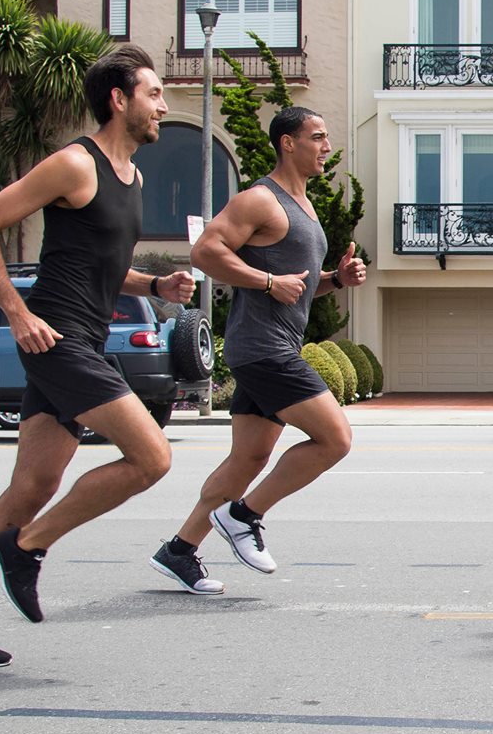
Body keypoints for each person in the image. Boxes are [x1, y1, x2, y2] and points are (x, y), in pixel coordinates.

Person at [0, 45, 196, 667]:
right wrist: (17, 313)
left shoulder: (133, 177)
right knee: (152, 457)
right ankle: (27, 546)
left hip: (82, 339)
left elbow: (103, 266)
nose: (163, 105)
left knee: (33, 484)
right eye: (153, 94)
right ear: (119, 100)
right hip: (57, 339)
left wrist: (156, 287)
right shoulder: (75, 163)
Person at [149, 107, 367, 594]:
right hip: (265, 349)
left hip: (270, 346)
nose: (326, 146)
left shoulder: (304, 206)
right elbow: (205, 251)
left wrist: (334, 280)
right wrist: (267, 281)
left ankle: (180, 550)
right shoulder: (260, 199)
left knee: (246, 460)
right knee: (335, 439)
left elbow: (298, 286)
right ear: (288, 143)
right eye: (318, 137)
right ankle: (244, 515)